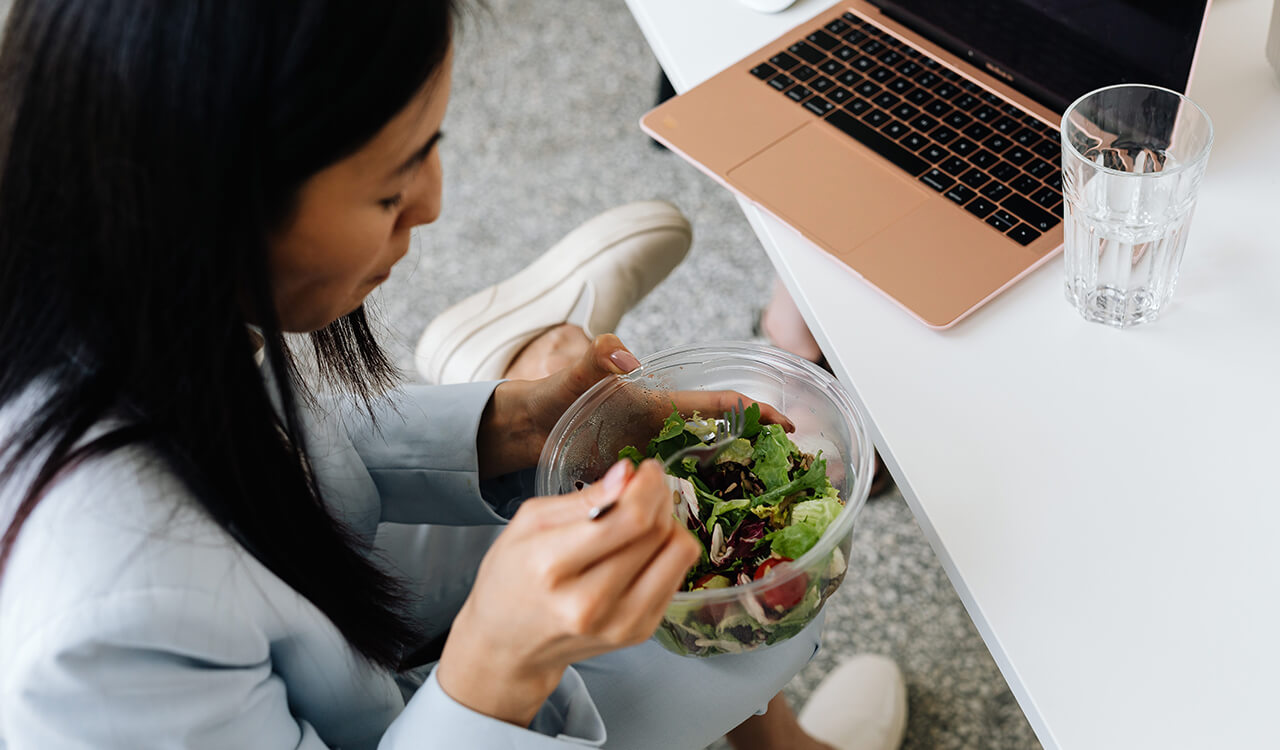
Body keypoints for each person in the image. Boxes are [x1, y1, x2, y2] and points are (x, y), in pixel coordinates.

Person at [0, 2, 906, 749]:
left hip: (340, 611)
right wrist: (496, 666)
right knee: (719, 636)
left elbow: (287, 456)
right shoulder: (100, 641)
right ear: (213, 215)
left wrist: (513, 424)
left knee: (682, 542)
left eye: (431, 146)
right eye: (391, 190)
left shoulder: (111, 289)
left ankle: (516, 366)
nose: (432, 207)